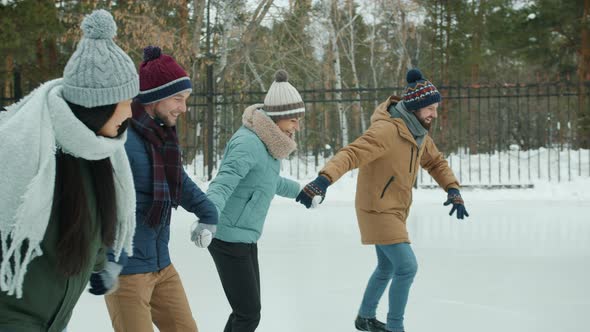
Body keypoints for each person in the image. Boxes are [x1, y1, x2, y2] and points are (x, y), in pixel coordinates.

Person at [297, 68, 469, 332]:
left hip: (396, 208)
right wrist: (324, 179)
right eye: (430, 109)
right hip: (377, 209)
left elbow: (435, 162)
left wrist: (452, 189)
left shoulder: (418, 132)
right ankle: (395, 327)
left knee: (387, 265)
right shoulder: (387, 131)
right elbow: (352, 153)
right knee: (407, 266)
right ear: (415, 107)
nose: (434, 114)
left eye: (435, 108)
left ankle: (364, 317)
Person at [0, 9, 137, 332]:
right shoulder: (31, 154)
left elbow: (83, 219)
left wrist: (101, 262)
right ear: (97, 106)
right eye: (124, 101)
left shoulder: (97, 152)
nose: (131, 111)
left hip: (52, 320)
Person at [100, 45, 218, 332]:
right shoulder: (120, 139)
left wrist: (208, 212)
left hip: (161, 265)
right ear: (154, 98)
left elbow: (177, 181)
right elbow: (92, 201)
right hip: (126, 272)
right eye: (178, 98)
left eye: (186, 99)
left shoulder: (162, 136)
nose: (184, 108)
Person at [206, 70, 305, 332]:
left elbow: (267, 181)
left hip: (244, 236)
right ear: (276, 117)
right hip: (227, 237)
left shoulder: (268, 143)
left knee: (246, 312)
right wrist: (207, 217)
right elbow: (223, 183)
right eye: (293, 120)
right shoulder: (249, 143)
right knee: (248, 314)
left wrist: (300, 192)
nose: (297, 126)